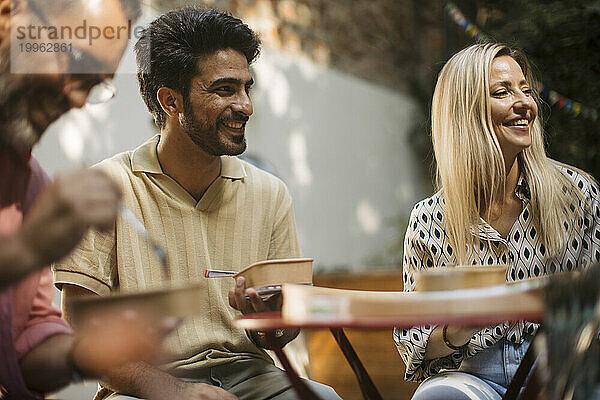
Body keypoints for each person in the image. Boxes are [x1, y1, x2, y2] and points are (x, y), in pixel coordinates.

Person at [54, 7, 342, 400]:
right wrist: (177, 392)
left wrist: (271, 317)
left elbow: (284, 330)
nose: (245, 106)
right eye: (225, 90)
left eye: (246, 88)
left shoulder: (270, 192)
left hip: (255, 377)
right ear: (171, 102)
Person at [394, 43, 600, 399]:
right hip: (475, 376)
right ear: (464, 112)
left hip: (563, 366)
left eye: (526, 89)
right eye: (503, 92)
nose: (525, 103)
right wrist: (456, 331)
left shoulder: (575, 194)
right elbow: (412, 340)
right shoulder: (429, 219)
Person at [0, 0, 178, 398]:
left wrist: (89, 353)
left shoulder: (26, 183)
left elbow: (26, 342)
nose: (79, 100)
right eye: (76, 58)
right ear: (10, 14)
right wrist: (26, 249)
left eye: (95, 83)